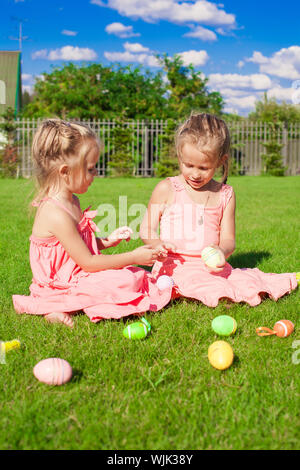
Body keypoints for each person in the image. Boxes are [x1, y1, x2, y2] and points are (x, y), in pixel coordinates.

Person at [12, 119, 172, 328]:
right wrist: (134, 256)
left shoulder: (72, 201)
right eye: (90, 169)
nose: (95, 174)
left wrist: (107, 241)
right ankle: (52, 306)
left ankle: (61, 304)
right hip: (62, 283)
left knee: (131, 275)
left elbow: (74, 249)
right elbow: (87, 261)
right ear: (65, 171)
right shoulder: (55, 213)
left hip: (78, 273)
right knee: (127, 279)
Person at [140, 112, 299, 307]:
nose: (195, 174)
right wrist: (157, 244)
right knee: (196, 285)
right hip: (173, 265)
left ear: (220, 161)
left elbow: (228, 239)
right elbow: (146, 229)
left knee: (242, 281)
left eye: (204, 167)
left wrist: (221, 251)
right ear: (180, 156)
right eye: (188, 165)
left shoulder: (225, 194)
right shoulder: (167, 188)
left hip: (209, 267)